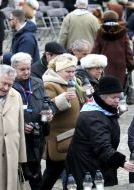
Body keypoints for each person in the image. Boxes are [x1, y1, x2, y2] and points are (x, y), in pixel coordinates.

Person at [65, 76, 134, 189]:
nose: (118, 100)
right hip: (88, 168)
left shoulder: (101, 109)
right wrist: (122, 162)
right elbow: (102, 146)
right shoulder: (94, 117)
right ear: (102, 97)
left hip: (95, 163)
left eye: (119, 97)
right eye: (114, 98)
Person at [41, 53, 85, 190]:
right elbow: (46, 108)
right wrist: (62, 98)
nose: (71, 74)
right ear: (58, 71)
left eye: (73, 71)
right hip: (58, 139)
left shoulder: (75, 82)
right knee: (52, 173)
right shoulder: (50, 85)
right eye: (68, 71)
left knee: (72, 173)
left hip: (73, 136)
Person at [11, 52, 54, 190]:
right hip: (18, 138)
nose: (26, 72)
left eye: (28, 68)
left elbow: (46, 100)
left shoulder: (37, 82)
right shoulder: (8, 85)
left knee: (36, 174)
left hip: (37, 134)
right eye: (22, 69)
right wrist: (20, 126)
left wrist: (49, 111)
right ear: (13, 68)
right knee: (19, 174)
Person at [0, 64, 26, 190]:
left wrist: (21, 157)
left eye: (10, 84)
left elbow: (20, 127)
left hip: (11, 155)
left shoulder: (16, 96)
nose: (6, 88)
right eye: (4, 83)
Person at [92, 10, 134, 86]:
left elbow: (96, 49)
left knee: (107, 86)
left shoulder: (100, 32)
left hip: (105, 64)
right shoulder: (123, 32)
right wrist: (130, 64)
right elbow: (127, 50)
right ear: (116, 19)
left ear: (104, 18)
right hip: (120, 63)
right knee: (119, 86)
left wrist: (92, 62)